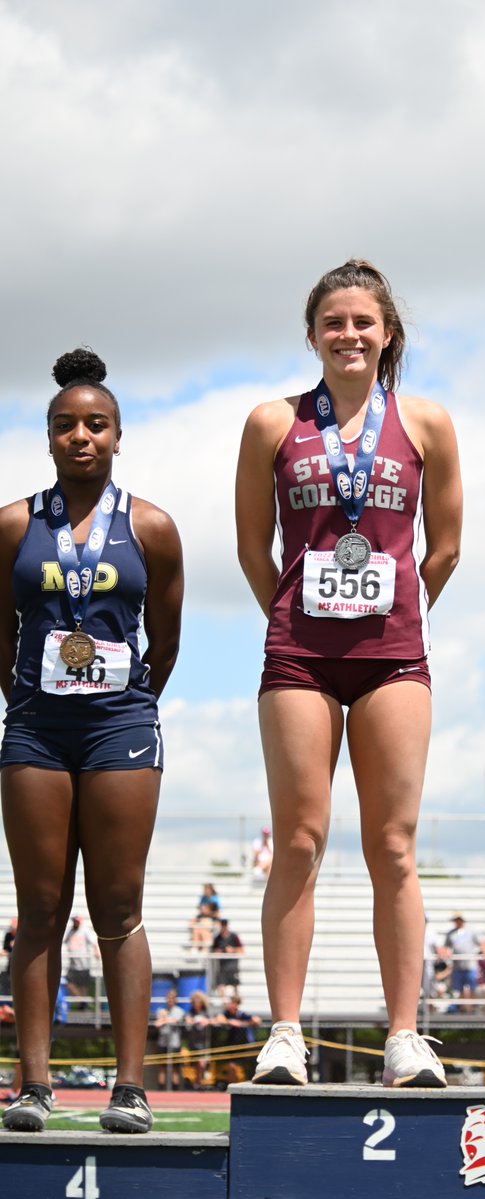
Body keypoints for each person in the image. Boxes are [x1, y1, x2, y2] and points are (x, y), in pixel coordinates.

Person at [235, 260, 461, 1088]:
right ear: (312, 335)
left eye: (364, 322)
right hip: (299, 654)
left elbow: (445, 547)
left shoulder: (427, 422)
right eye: (334, 322)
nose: (350, 334)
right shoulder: (271, 423)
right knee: (298, 838)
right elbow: (252, 549)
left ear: (388, 332)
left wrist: (395, 608)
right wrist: (296, 614)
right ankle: (285, 1033)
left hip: (394, 655)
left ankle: (405, 1034)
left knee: (393, 845)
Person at [0, 348, 183, 1133]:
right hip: (36, 728)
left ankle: (131, 1088)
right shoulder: (13, 524)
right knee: (40, 906)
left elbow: (165, 640)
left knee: (118, 904)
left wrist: (130, 705)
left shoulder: (151, 526)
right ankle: (33, 1086)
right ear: (47, 437)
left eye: (96, 424)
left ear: (117, 436)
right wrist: (24, 701)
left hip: (120, 726)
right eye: (66, 425)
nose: (82, 436)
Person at [63, 914, 99, 1005]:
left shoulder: (85, 931)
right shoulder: (70, 931)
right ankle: (83, 1002)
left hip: (84, 965)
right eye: (74, 921)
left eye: (77, 922)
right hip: (72, 965)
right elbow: (63, 941)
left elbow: (94, 942)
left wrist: (96, 951)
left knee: (83, 987)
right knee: (68, 984)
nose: (75, 923)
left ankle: (83, 1006)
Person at [154, 988, 184, 1089]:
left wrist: (164, 1019)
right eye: (168, 998)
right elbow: (157, 1024)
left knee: (175, 1068)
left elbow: (174, 1020)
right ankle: (161, 1089)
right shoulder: (161, 1010)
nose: (169, 1000)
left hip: (174, 1043)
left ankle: (175, 1090)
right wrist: (165, 1019)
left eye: (172, 998)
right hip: (163, 1043)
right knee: (162, 1067)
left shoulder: (179, 1011)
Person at [211, 918, 244, 998]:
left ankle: (235, 1002)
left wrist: (232, 950)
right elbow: (213, 951)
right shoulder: (217, 938)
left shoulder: (234, 936)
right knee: (221, 985)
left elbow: (241, 950)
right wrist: (219, 952)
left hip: (233, 966)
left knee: (235, 985)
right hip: (222, 967)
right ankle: (224, 1004)